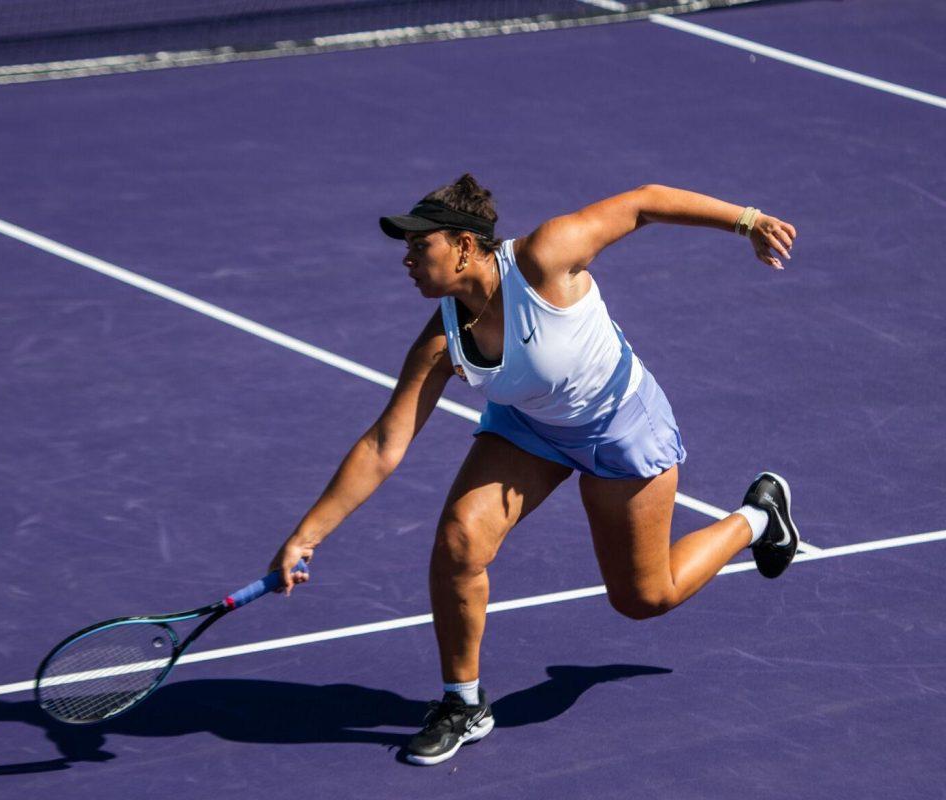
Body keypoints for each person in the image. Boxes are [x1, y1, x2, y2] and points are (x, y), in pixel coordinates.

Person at [268, 174, 800, 766]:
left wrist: (748, 220)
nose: (409, 259)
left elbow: (645, 203)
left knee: (646, 598)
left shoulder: (546, 255)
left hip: (620, 429)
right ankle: (462, 702)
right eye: (408, 248)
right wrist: (306, 535)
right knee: (459, 539)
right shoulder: (441, 341)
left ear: (466, 246)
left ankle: (757, 518)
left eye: (422, 246)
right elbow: (384, 444)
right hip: (531, 429)